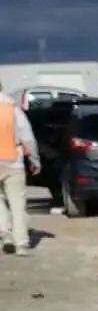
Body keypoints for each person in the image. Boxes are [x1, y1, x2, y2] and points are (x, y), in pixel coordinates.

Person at [0, 79, 40, 256]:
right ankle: (21, 243)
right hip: (13, 160)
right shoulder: (12, 108)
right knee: (17, 203)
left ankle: (5, 234)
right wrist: (34, 158)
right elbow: (27, 136)